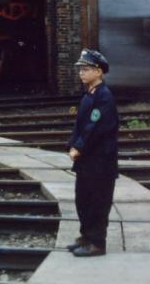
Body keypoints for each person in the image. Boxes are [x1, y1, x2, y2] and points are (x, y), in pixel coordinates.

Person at [66, 48, 119, 257]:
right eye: (80, 69)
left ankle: (97, 242)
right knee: (83, 199)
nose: (82, 73)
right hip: (88, 161)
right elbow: (80, 124)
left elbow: (95, 127)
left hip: (100, 162)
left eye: (86, 69)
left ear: (99, 72)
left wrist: (79, 147)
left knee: (97, 201)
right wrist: (72, 143)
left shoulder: (104, 96)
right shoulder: (90, 94)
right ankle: (86, 236)